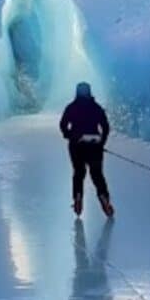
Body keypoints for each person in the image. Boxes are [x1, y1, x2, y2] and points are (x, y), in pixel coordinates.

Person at [59, 82, 114, 217]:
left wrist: (70, 136)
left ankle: (78, 197)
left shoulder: (71, 107)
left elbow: (63, 124)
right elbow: (105, 126)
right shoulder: (96, 108)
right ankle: (104, 198)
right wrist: (101, 141)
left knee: (79, 172)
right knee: (97, 174)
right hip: (94, 144)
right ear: (89, 92)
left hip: (76, 144)